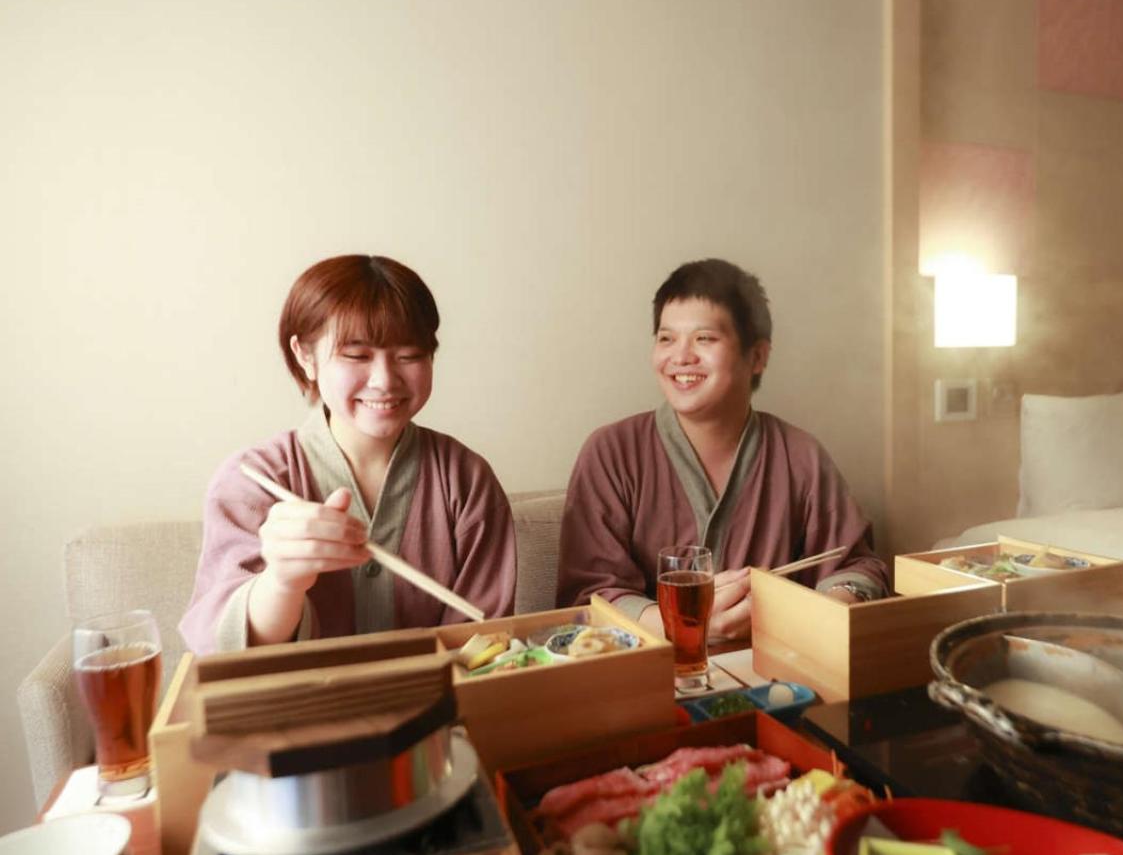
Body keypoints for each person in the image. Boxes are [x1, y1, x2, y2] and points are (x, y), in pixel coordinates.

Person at [180, 255, 516, 654]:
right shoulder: (251, 480)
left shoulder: (466, 479)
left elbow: (484, 647)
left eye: (409, 355)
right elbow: (224, 651)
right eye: (357, 356)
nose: (385, 380)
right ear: (305, 356)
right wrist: (282, 582)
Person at [556, 258, 888, 645]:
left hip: (774, 666)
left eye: (704, 338)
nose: (681, 357)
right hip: (648, 670)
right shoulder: (611, 453)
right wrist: (680, 624)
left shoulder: (800, 456)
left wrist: (826, 607)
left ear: (758, 356)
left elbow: (856, 565)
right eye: (666, 338)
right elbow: (588, 595)